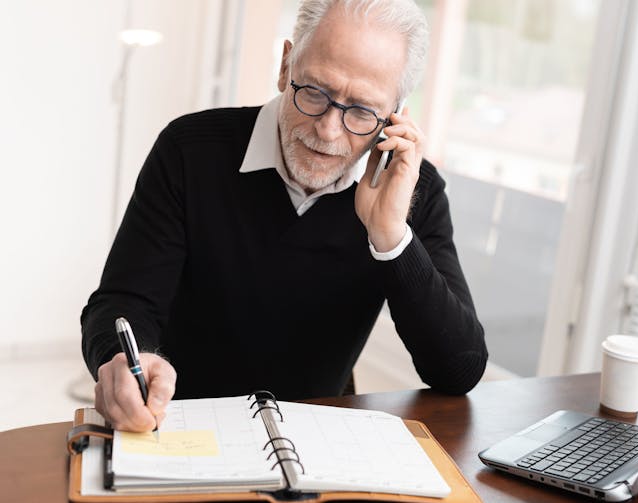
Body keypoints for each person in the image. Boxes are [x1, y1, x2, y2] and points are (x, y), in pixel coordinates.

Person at [81, 0, 487, 433]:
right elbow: (122, 302)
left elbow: (458, 371)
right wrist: (126, 360)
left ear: (394, 117)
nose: (328, 129)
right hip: (180, 424)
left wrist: (389, 236)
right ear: (284, 65)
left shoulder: (411, 189)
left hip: (319, 434)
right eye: (314, 91)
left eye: (362, 111)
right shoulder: (188, 151)